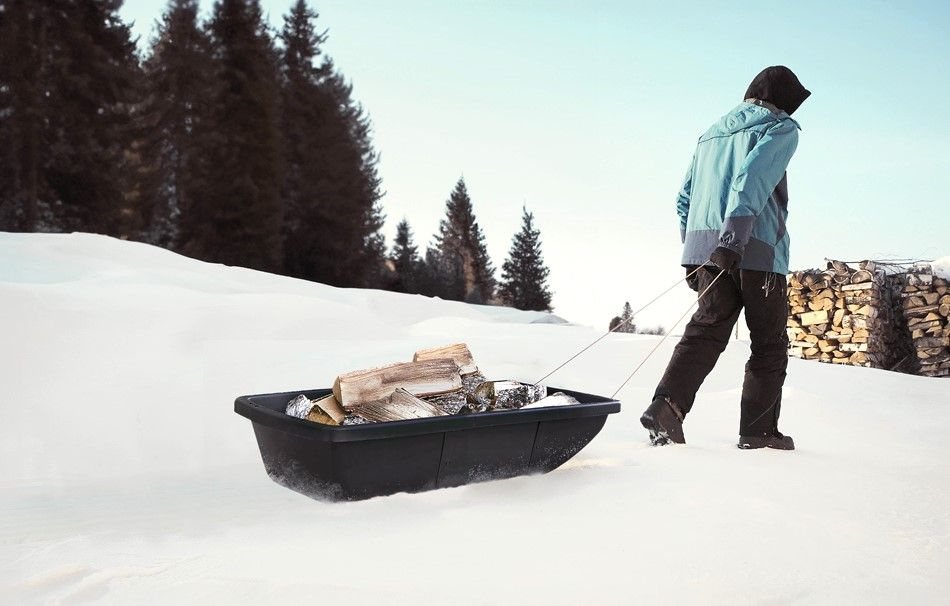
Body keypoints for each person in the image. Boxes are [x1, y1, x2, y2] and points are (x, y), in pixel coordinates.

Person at [640, 66, 810, 450]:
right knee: (769, 343)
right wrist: (732, 241)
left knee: (706, 330)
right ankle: (758, 433)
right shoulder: (780, 128)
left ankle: (666, 408)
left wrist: (694, 252)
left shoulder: (710, 134)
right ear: (784, 101)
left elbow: (684, 196)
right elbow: (751, 179)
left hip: (705, 250)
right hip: (756, 252)